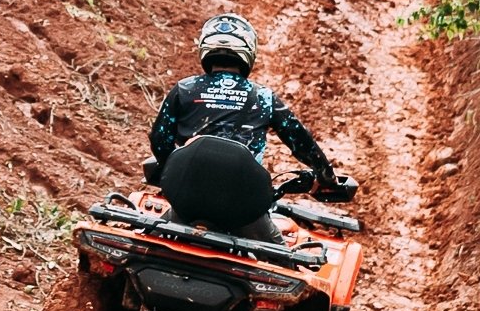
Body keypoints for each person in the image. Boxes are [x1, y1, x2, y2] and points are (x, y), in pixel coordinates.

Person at [146, 13, 354, 241]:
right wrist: (327, 177)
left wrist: (171, 171)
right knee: (283, 265)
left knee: (145, 242)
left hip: (184, 201)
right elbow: (301, 142)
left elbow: (160, 140)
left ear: (205, 47)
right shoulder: (262, 97)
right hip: (243, 207)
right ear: (249, 51)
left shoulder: (184, 89)